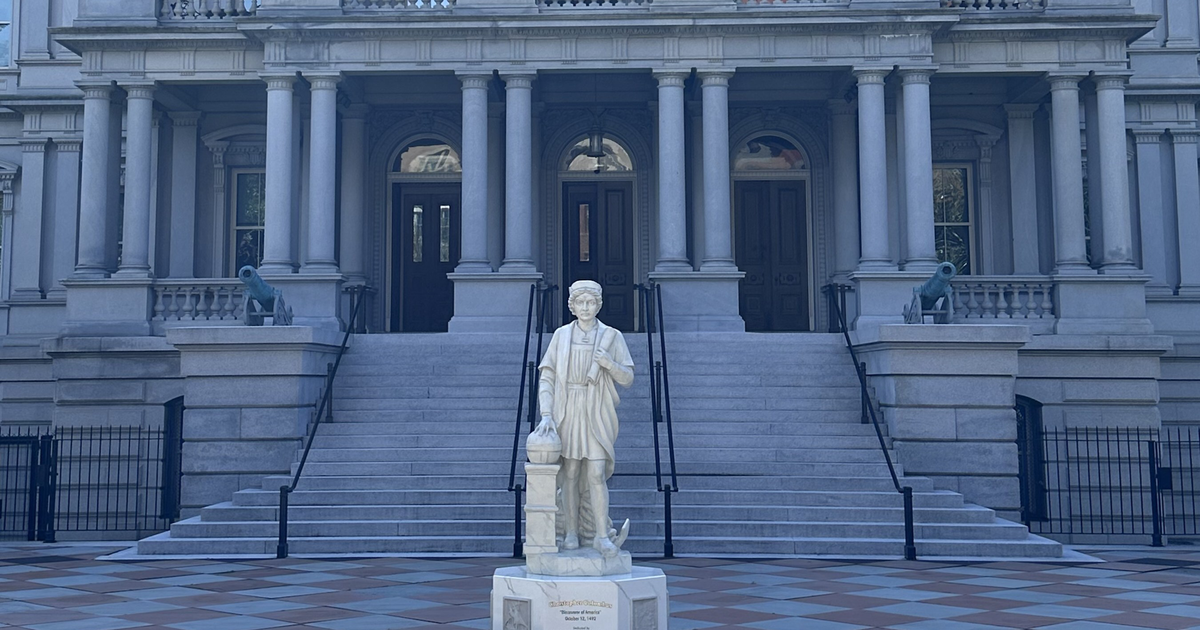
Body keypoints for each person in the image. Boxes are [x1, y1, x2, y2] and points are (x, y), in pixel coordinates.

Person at [533, 280, 634, 557]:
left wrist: (609, 364)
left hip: (597, 410)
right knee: (570, 473)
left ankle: (601, 536)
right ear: (572, 306)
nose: (586, 307)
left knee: (596, 473)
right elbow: (547, 377)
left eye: (591, 302)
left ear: (599, 305)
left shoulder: (611, 336)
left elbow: (628, 378)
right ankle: (571, 534)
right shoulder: (562, 335)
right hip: (567, 409)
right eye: (581, 302)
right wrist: (546, 414)